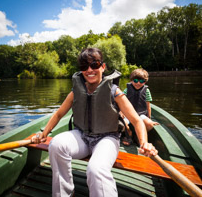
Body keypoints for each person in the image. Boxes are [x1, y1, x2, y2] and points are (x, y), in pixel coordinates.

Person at [32, 48, 158, 197]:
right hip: (82, 136)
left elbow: (137, 121)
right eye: (84, 67)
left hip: (107, 138)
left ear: (102, 67)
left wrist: (144, 143)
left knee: (96, 168)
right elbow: (59, 114)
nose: (89, 70)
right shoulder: (76, 90)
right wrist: (44, 133)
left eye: (94, 65)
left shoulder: (114, 91)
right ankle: (63, 193)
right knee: (56, 145)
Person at [121, 68, 159, 146]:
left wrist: (149, 118)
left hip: (141, 114)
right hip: (129, 114)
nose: (138, 83)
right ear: (131, 80)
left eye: (141, 81)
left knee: (149, 124)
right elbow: (121, 102)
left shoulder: (146, 91)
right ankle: (129, 134)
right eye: (135, 81)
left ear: (145, 82)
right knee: (123, 123)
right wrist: (121, 112)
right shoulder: (126, 90)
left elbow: (148, 106)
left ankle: (137, 136)